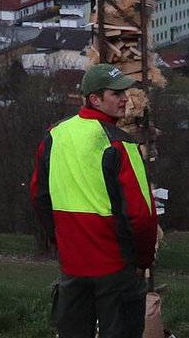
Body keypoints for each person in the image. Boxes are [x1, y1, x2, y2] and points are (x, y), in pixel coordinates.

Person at [30, 62, 157, 338]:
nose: (125, 99)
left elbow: (39, 196)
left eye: (125, 92)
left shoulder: (55, 135)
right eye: (116, 93)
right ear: (94, 99)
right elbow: (141, 215)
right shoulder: (121, 144)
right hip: (115, 267)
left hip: (72, 265)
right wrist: (143, 259)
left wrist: (58, 239)